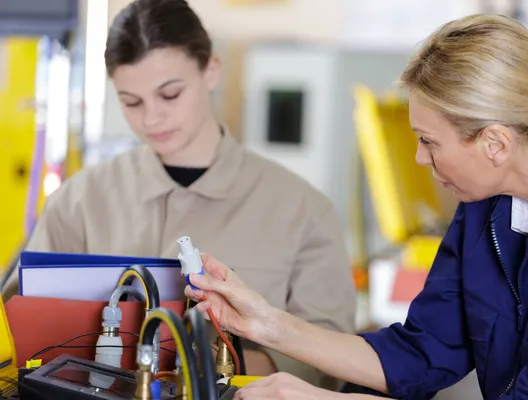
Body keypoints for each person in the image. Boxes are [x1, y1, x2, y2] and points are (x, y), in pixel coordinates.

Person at [183, 13, 528, 399]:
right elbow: (421, 353)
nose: (420, 157)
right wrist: (268, 324)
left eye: (429, 141)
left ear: (495, 143)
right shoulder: (485, 203)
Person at [1, 0, 356, 384]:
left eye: (170, 94)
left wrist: (207, 369)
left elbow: (329, 357)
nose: (151, 117)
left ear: (210, 70)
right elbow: (13, 324)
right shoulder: (80, 200)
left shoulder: (303, 210)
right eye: (131, 102)